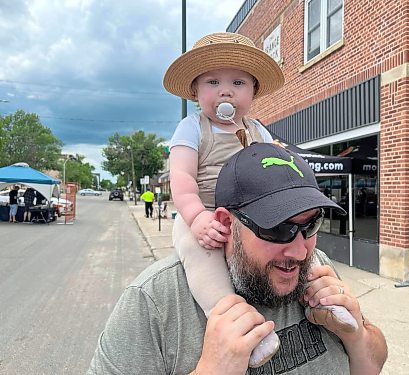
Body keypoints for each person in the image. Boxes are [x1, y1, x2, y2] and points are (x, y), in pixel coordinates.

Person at [87, 143, 387, 375]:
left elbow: (372, 365)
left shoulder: (315, 263)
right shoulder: (156, 302)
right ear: (227, 224)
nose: (298, 251)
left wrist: (356, 333)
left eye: (310, 225)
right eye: (278, 228)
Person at [164, 32, 285, 366]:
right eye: (213, 81)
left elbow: (271, 166)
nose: (226, 90)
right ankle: (231, 320)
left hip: (249, 213)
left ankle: (320, 295)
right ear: (195, 91)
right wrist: (197, 218)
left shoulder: (258, 129)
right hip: (202, 212)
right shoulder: (192, 127)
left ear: (254, 91)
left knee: (295, 237)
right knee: (196, 249)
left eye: (238, 82)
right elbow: (183, 178)